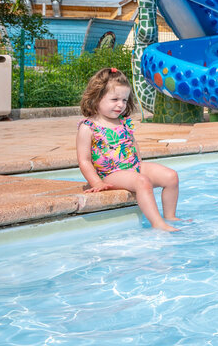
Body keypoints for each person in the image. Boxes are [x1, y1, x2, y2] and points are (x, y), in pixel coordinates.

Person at [76, 67, 182, 232]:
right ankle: (157, 223)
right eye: (115, 99)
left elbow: (133, 144)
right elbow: (84, 160)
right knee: (142, 182)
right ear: (97, 97)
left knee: (171, 177)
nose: (121, 104)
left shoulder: (123, 122)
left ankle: (170, 216)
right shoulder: (89, 127)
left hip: (133, 167)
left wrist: (139, 165)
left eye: (124, 100)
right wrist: (96, 182)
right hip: (111, 174)